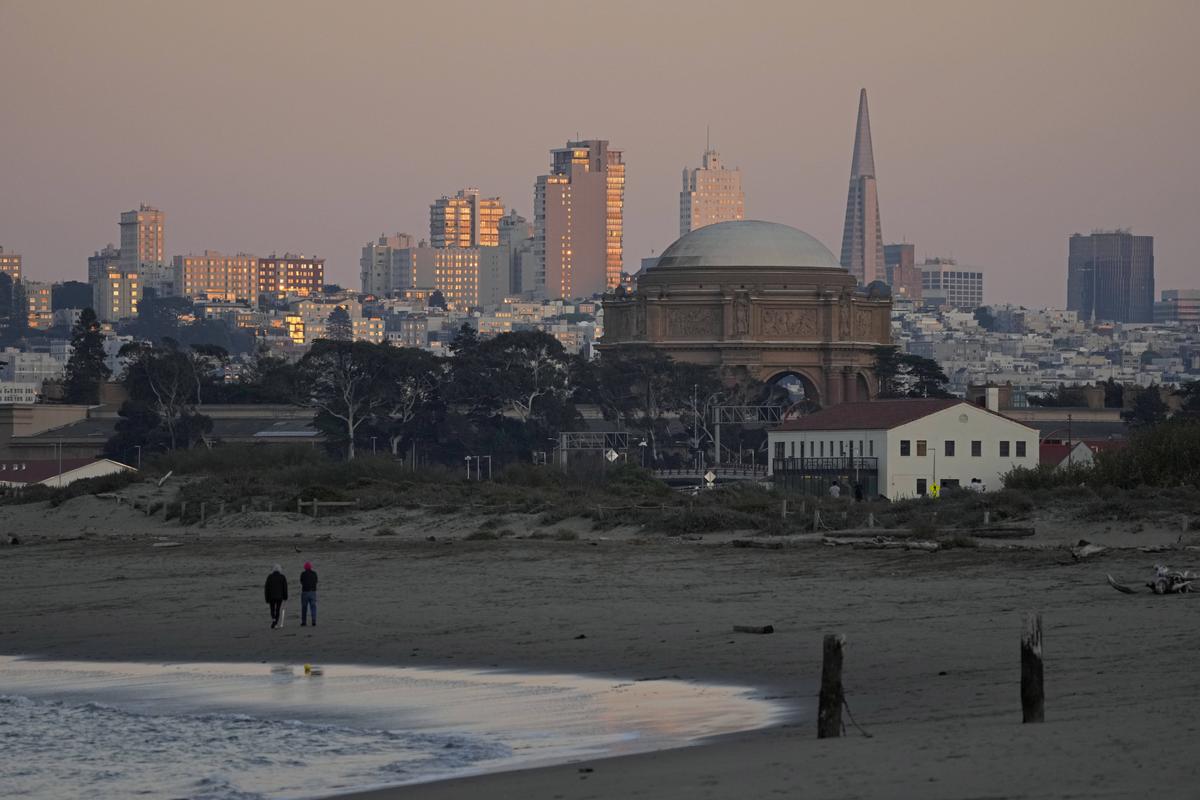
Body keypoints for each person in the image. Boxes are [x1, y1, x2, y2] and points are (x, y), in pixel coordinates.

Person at [265, 564, 288, 629]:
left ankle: (274, 620)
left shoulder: (269, 577)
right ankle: (275, 622)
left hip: (271, 597)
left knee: (272, 609)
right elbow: (285, 588)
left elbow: (267, 588)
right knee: (277, 610)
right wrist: (285, 597)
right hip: (279, 597)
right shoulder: (282, 577)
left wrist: (266, 598)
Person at [300, 561, 318, 627]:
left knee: (304, 607)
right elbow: (316, 581)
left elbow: (301, 581)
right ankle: (314, 621)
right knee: (313, 607)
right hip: (313, 592)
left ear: (305, 567)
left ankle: (304, 622)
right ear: (311, 567)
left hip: (305, 592)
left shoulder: (303, 574)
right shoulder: (314, 573)